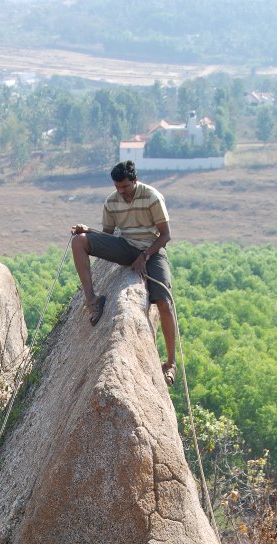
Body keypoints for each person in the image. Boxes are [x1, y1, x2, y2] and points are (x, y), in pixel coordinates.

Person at [70, 160, 177, 386]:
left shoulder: (152, 197)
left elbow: (166, 235)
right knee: (79, 241)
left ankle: (170, 363)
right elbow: (108, 236)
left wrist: (145, 256)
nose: (121, 192)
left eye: (125, 187)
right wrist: (89, 231)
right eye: (118, 187)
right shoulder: (112, 202)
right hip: (126, 246)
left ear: (135, 180)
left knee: (164, 303)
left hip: (153, 250)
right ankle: (92, 300)